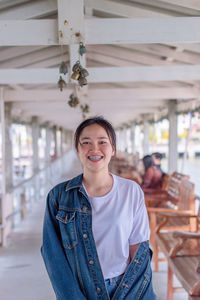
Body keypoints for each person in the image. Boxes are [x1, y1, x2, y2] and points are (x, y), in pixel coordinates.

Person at [41, 116, 156, 300]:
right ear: (78, 150)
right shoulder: (58, 197)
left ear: (113, 149)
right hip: (81, 291)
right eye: (86, 142)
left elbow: (139, 252)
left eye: (102, 142)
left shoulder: (131, 191)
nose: (95, 149)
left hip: (125, 288)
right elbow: (53, 256)